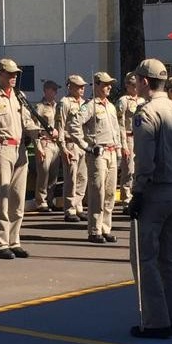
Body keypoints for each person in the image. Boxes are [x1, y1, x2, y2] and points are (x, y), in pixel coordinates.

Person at [126, 58, 172, 339]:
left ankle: (156, 322)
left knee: (145, 258)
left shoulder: (146, 113)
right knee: (170, 259)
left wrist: (138, 192)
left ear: (145, 81)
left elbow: (145, 159)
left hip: (155, 192)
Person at [0, 58, 43, 259]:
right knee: (1, 198)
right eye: (9, 73)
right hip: (2, 149)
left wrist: (42, 132)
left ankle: (14, 241)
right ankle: (1, 244)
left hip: (20, 150)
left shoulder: (19, 97)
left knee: (17, 198)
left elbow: (26, 122)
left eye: (15, 74)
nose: (13, 77)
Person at [75, 72, 122, 244]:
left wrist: (118, 149)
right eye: (105, 84)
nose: (108, 87)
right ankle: (94, 229)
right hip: (98, 153)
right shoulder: (89, 106)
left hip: (111, 152)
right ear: (95, 85)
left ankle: (105, 228)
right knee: (98, 192)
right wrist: (86, 146)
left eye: (110, 84)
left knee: (110, 193)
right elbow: (74, 125)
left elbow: (116, 130)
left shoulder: (110, 106)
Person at [59, 75, 88, 223]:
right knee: (71, 177)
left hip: (82, 144)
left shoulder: (84, 103)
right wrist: (62, 147)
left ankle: (79, 207)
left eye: (83, 86)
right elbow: (60, 126)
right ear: (70, 87)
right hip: (70, 143)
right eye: (78, 86)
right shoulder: (64, 103)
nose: (82, 89)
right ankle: (69, 209)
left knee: (83, 177)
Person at [34, 80, 62, 211]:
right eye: (53, 89)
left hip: (56, 144)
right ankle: (41, 201)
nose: (55, 92)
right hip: (45, 142)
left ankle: (50, 200)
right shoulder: (40, 107)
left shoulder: (58, 106)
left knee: (53, 175)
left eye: (56, 90)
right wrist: (38, 146)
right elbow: (35, 127)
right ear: (46, 90)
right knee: (43, 173)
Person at [116, 74, 142, 208]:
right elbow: (120, 124)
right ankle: (126, 199)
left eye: (136, 84)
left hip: (141, 138)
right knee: (129, 170)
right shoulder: (123, 101)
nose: (135, 87)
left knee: (140, 169)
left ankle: (138, 195)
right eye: (132, 85)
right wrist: (123, 144)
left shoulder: (142, 100)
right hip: (129, 137)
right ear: (127, 86)